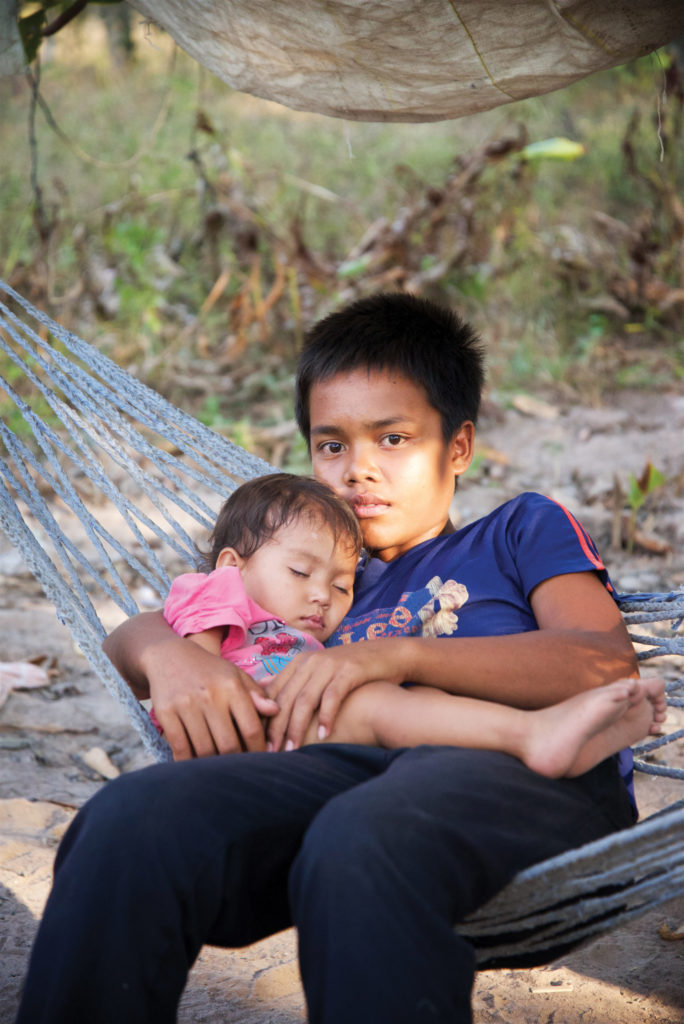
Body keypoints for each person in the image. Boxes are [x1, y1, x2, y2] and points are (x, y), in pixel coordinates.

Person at [16, 293, 659, 1024]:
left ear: (457, 447)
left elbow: (604, 663)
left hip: (529, 775)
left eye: (393, 439)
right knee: (127, 818)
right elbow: (177, 612)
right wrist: (167, 655)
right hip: (336, 773)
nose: (358, 470)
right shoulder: (315, 580)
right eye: (332, 445)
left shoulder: (518, 530)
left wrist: (388, 655)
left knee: (364, 836)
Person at [161, 474, 664, 779]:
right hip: (245, 731)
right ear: (231, 563)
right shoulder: (217, 588)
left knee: (414, 701)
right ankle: (528, 734)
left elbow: (605, 658)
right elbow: (191, 665)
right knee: (382, 704)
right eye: (299, 573)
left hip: (306, 736)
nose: (322, 595)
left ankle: (532, 735)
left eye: (342, 588)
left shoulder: (313, 624)